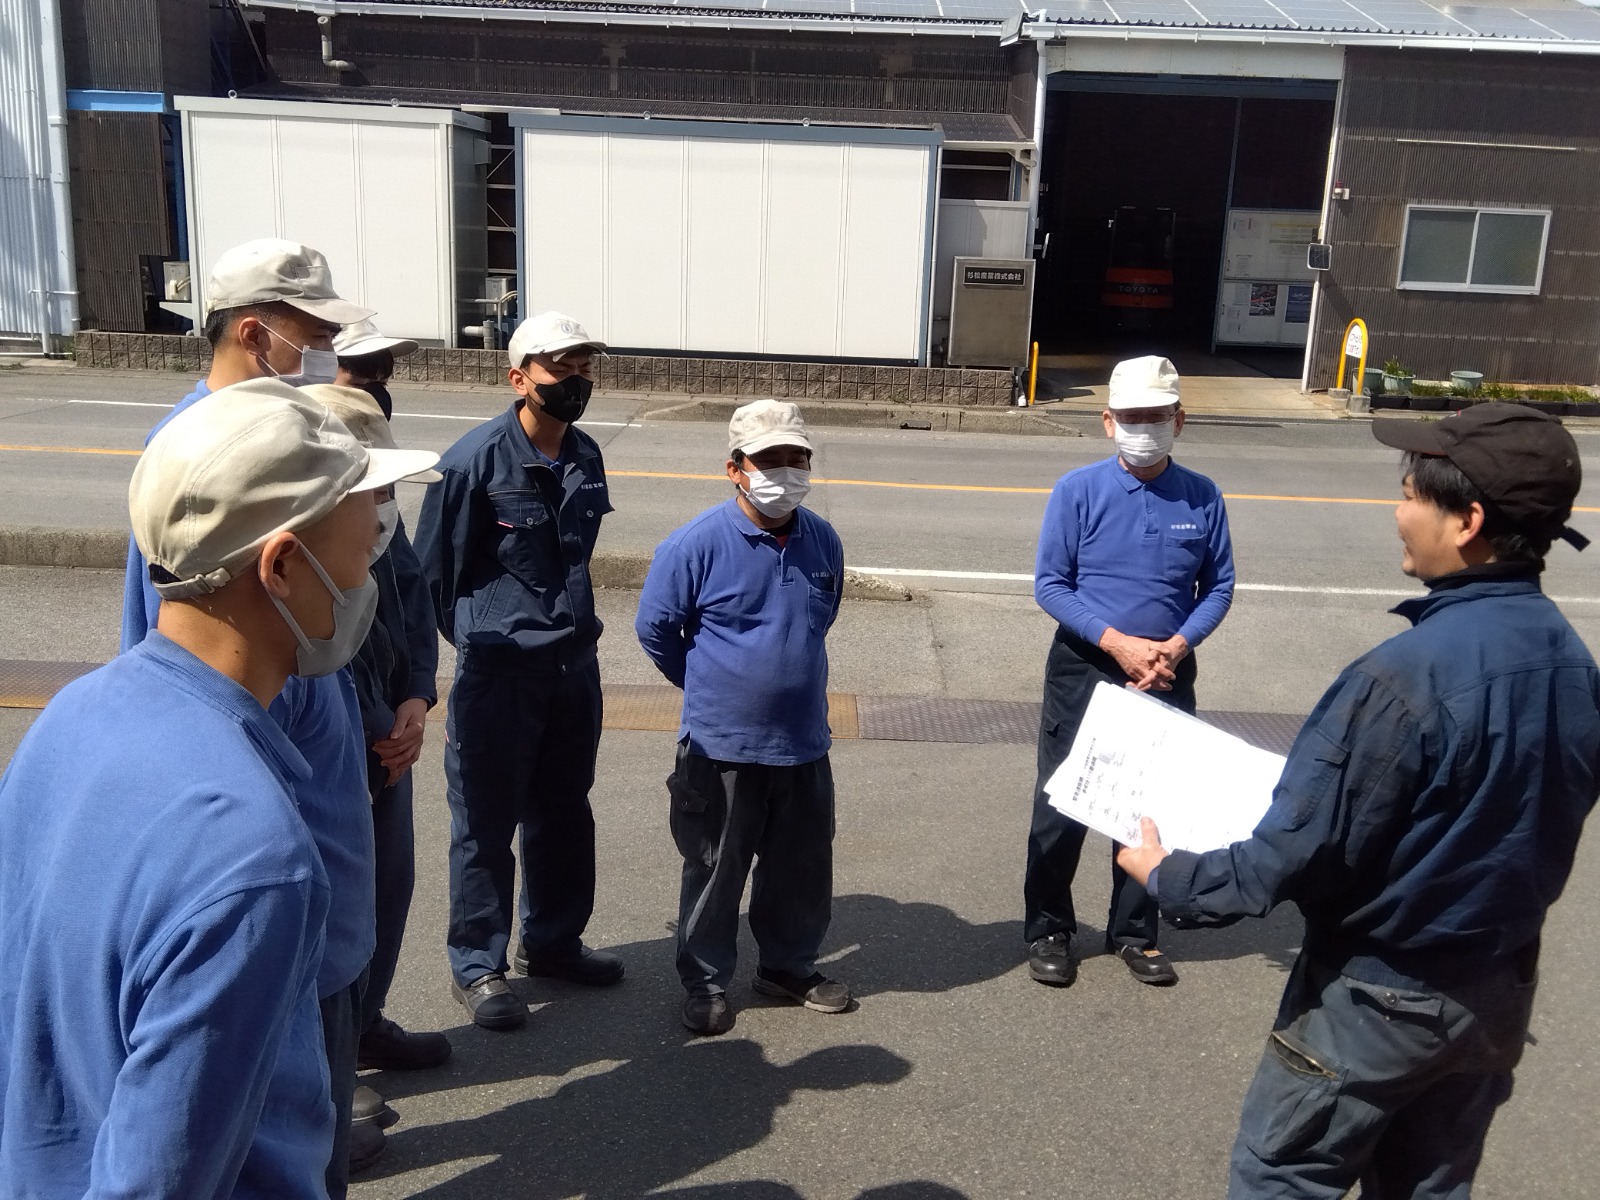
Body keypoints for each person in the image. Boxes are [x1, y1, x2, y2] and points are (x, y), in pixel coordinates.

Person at [1117, 403, 1600, 1198]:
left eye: (1410, 496)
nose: (1398, 513)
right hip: (1497, 992)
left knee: (1283, 1177)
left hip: (1379, 999)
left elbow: (1294, 850)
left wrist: (1171, 877)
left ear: (1468, 521)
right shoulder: (1571, 662)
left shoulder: (1402, 678)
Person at [0, 379, 431, 1198]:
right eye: (361, 547)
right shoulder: (255, 856)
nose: (367, 577)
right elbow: (160, 1179)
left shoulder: (72, 716)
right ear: (283, 566)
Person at [119, 238, 393, 1189]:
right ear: (252, 332)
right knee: (261, 1132)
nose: (325, 354)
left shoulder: (291, 428)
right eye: (311, 335)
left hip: (318, 873)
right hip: (274, 888)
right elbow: (174, 665)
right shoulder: (198, 459)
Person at [413, 311, 622, 1032]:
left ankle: (554, 942)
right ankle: (479, 965)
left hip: (572, 668)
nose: (575, 380)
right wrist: (488, 637)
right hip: (499, 676)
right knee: (484, 821)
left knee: (564, 810)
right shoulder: (473, 462)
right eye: (560, 368)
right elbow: (433, 576)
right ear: (519, 378)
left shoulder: (586, 454)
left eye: (583, 368)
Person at [636, 399, 850, 1036]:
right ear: (735, 469)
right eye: (768, 460)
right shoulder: (695, 544)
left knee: (801, 868)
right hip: (720, 747)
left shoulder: (822, 539)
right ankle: (705, 981)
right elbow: (655, 629)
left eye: (797, 458)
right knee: (715, 868)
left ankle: (787, 966)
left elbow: (821, 618)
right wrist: (707, 684)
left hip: (803, 742)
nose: (785, 472)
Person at [1025, 355, 1234, 989]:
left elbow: (1218, 586)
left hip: (1167, 668)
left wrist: (1176, 645)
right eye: (1132, 417)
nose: (1145, 428)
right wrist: (1117, 644)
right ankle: (1049, 929)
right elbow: (1051, 585)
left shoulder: (1202, 496)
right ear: (1108, 422)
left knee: (1148, 805)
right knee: (1063, 802)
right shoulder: (1078, 490)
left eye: (1157, 416)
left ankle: (1136, 932)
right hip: (1087, 663)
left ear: (1180, 421)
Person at [301, 388, 453, 1086]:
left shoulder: (378, 532)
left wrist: (416, 698)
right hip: (342, 752)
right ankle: (323, 1068)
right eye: (375, 488)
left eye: (391, 489)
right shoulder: (304, 554)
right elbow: (320, 667)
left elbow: (414, 606)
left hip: (391, 742)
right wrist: (374, 730)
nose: (386, 505)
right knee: (327, 908)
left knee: (385, 888)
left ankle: (363, 1026)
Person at [334, 317, 418, 419]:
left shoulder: (372, 428)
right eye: (359, 384)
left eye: (382, 384)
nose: (375, 395)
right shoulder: (319, 424)